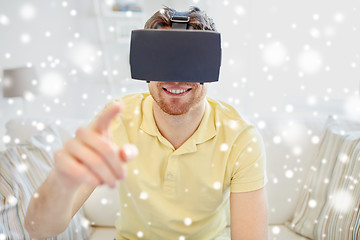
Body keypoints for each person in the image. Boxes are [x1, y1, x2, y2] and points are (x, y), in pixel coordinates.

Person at [25, 6, 268, 240]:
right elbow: (39, 229)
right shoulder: (116, 119)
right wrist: (60, 183)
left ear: (211, 64)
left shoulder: (240, 137)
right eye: (163, 58)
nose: (175, 77)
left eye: (188, 59)